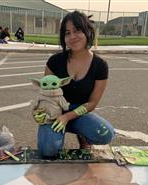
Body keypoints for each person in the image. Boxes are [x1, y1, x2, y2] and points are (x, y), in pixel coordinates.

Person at [33, 11, 114, 158]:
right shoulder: (54, 61)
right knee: (48, 151)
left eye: (77, 30)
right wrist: (39, 112)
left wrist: (67, 117)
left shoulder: (100, 65)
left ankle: (82, 135)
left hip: (78, 113)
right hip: (55, 112)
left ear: (88, 31)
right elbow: (47, 96)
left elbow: (92, 103)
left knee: (106, 134)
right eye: (67, 33)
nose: (72, 37)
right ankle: (56, 135)